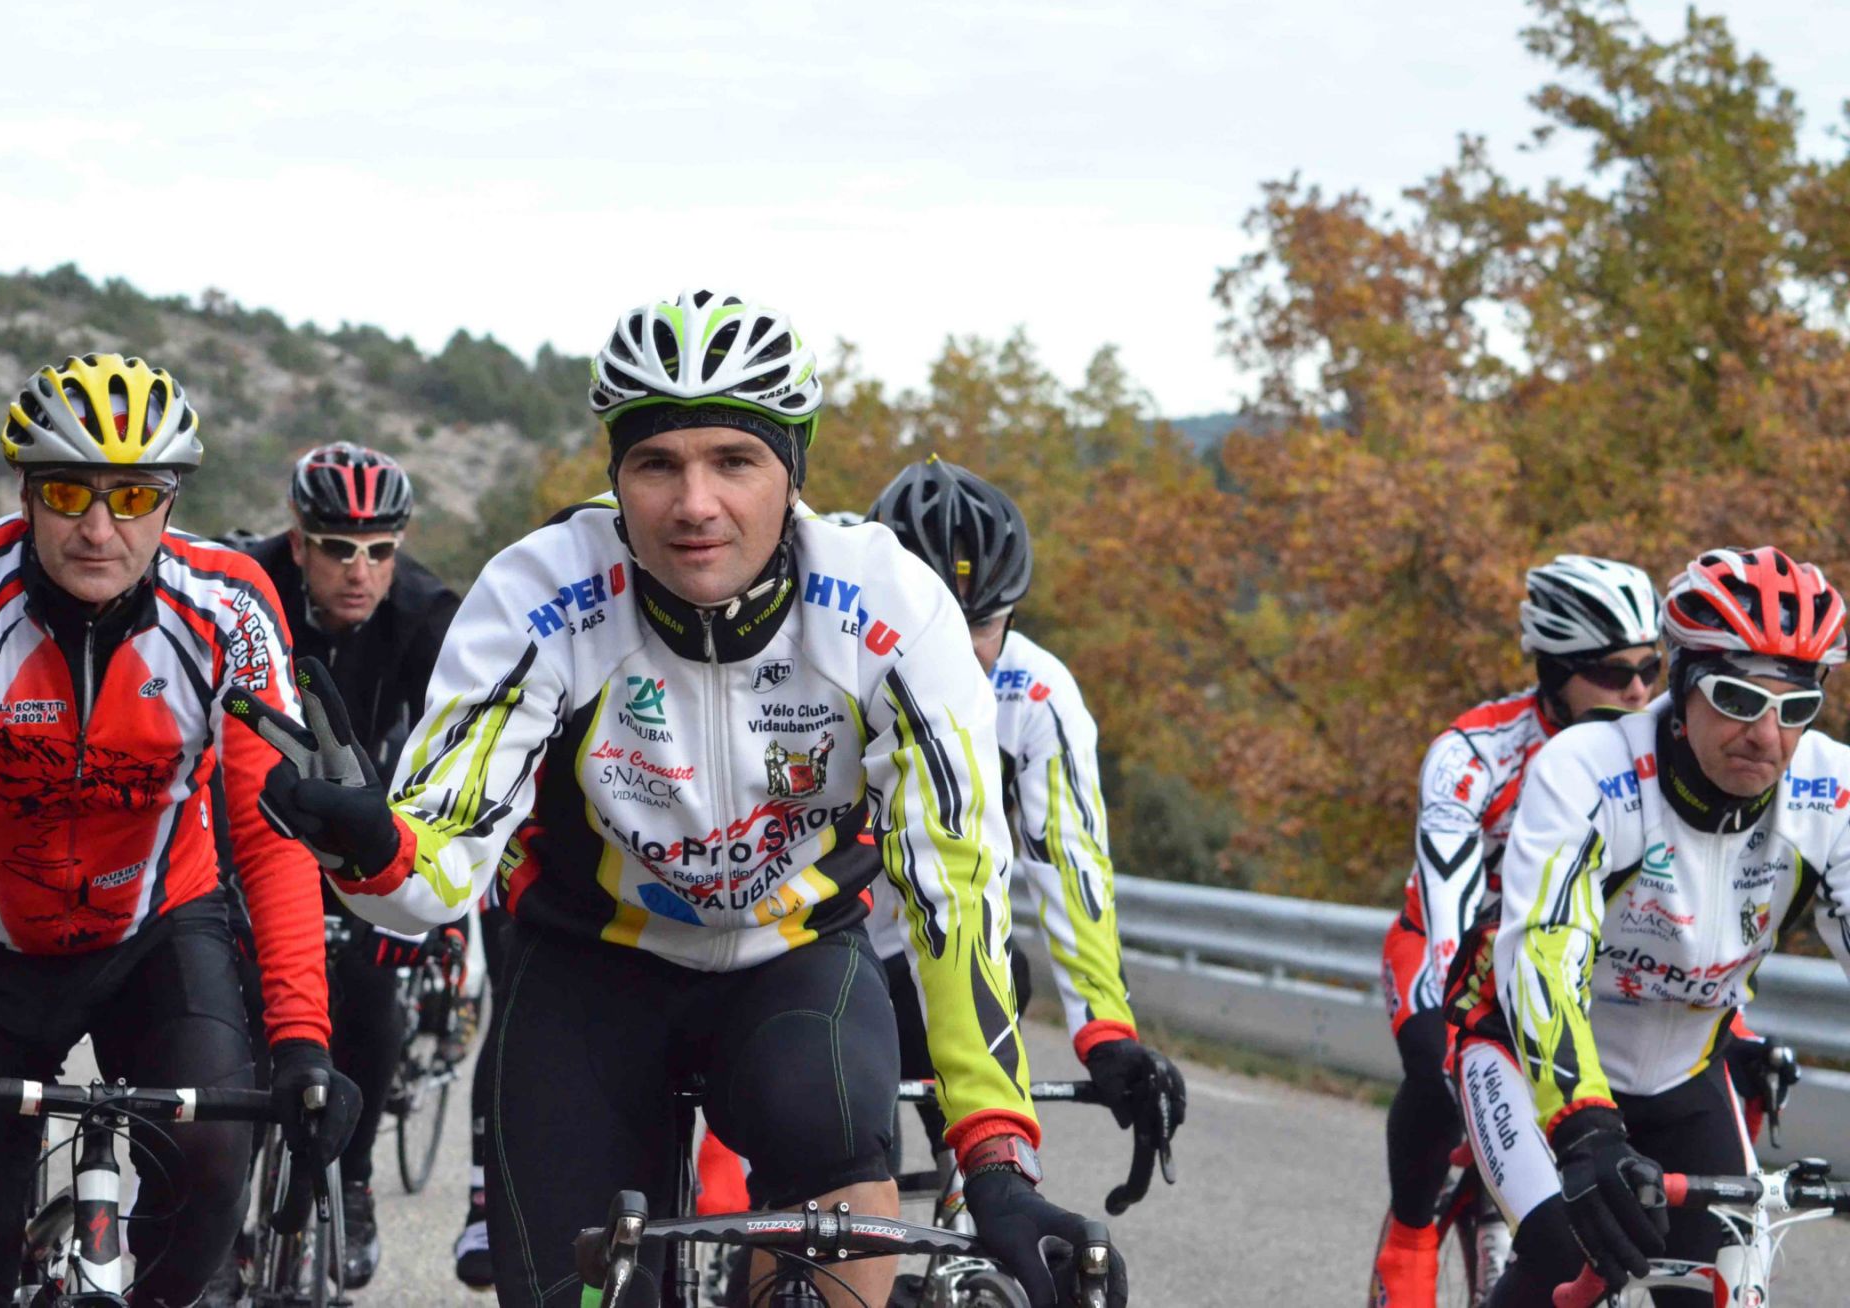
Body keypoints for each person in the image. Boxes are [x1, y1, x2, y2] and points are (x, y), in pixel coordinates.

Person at [227, 291, 1128, 1308]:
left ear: (793, 471)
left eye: (733, 461)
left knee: (830, 1148)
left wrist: (996, 1158)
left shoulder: (888, 604)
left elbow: (955, 886)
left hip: (793, 960)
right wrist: (371, 850)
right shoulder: (540, 592)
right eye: (657, 464)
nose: (695, 503)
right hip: (587, 967)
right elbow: (437, 866)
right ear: (617, 477)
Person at [0, 354, 356, 1307]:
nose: (97, 527)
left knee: (215, 1162)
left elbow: (273, 833)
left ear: (169, 502)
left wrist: (302, 1043)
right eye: (67, 491)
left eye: (131, 497)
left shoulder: (230, 608)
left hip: (154, 935)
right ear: (26, 494)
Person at [1444, 546, 1850, 1306]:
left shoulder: (1831, 792)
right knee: (1566, 1253)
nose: (1767, 736)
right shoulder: (1588, 768)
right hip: (1528, 1058)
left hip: (1683, 1076)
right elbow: (1543, 954)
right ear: (1685, 683)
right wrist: (1583, 1129)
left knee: (1717, 1287)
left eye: (1795, 709)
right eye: (1738, 700)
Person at [865, 457, 1186, 1168]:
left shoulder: (1038, 692)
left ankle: (963, 1210)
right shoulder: (834, 663)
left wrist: (1105, 1030)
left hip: (950, 943)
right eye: (931, 618)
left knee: (986, 1146)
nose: (956, 648)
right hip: (830, 944)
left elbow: (1070, 859)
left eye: (982, 624)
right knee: (845, 1153)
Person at [1370, 555, 1662, 1308]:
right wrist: (1453, 1037)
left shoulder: (1665, 755)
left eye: (1651, 668)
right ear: (1554, 670)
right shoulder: (1472, 755)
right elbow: (1450, 916)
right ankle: (1410, 1235)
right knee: (1437, 1066)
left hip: (1574, 958)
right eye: (1612, 672)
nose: (1638, 691)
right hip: (1451, 950)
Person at [229, 440, 461, 1287]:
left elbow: (458, 775)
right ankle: (223, 1199)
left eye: (380, 550)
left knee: (368, 989)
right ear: (298, 543)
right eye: (337, 549)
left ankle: (353, 1180)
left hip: (372, 829)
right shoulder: (244, 589)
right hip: (253, 822)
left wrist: (425, 907)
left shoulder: (427, 614)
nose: (361, 572)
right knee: (233, 994)